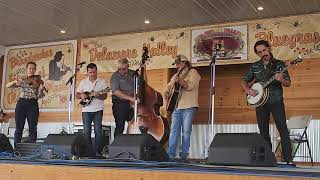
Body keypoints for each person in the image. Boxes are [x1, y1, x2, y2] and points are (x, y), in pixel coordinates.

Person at [241, 40, 292, 163]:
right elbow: (244, 80)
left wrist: (281, 80)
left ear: (269, 48)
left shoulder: (279, 65)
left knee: (282, 129)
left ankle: (287, 159)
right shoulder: (255, 66)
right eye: (259, 52)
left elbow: (288, 83)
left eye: (264, 50)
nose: (263, 53)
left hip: (276, 101)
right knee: (263, 130)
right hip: (260, 103)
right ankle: (267, 159)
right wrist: (248, 90)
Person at [164, 54, 201, 160]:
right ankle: (170, 155)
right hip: (176, 107)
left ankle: (184, 155)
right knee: (173, 131)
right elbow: (168, 86)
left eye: (179, 63)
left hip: (189, 106)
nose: (177, 66)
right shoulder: (175, 75)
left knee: (186, 132)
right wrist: (166, 93)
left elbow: (191, 86)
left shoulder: (193, 72)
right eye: (176, 64)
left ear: (185, 63)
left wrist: (181, 81)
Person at [6, 62, 46, 146]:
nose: (31, 70)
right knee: (19, 128)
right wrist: (14, 82)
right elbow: (7, 85)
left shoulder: (38, 81)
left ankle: (31, 150)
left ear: (35, 70)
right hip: (21, 103)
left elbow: (39, 96)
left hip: (32, 103)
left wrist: (40, 89)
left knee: (32, 128)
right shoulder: (22, 79)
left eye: (33, 68)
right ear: (26, 69)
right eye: (30, 68)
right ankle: (16, 149)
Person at [76, 63, 108, 156]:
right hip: (86, 110)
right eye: (90, 72)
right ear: (87, 72)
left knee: (98, 131)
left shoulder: (102, 82)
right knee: (87, 131)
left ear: (96, 71)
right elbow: (77, 94)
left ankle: (98, 152)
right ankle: (88, 152)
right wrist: (81, 95)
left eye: (94, 72)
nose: (92, 74)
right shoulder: (83, 82)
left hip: (98, 109)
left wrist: (99, 95)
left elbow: (105, 96)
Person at [110, 58, 135, 137]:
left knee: (134, 124)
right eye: (119, 69)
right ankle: (116, 147)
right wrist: (130, 98)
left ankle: (132, 146)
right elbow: (116, 91)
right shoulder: (115, 76)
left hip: (132, 103)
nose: (121, 71)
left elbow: (142, 84)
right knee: (120, 126)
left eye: (123, 69)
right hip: (119, 103)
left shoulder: (134, 74)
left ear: (128, 66)